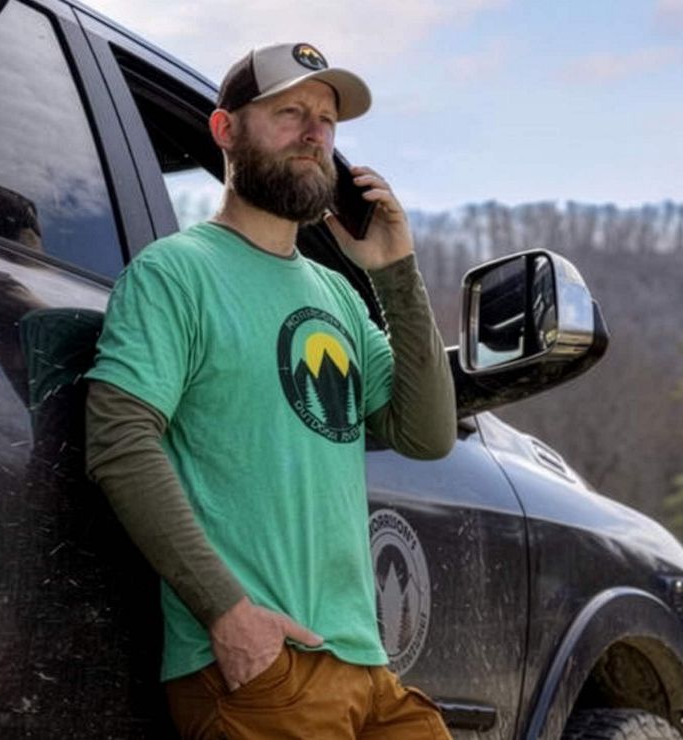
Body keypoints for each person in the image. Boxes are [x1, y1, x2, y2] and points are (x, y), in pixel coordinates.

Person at [85, 41, 456, 739]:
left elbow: (428, 433)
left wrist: (394, 273)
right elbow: (119, 442)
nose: (314, 132)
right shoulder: (175, 274)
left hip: (366, 670)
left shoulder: (338, 297)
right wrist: (228, 612)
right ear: (225, 131)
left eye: (326, 120)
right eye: (289, 112)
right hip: (264, 670)